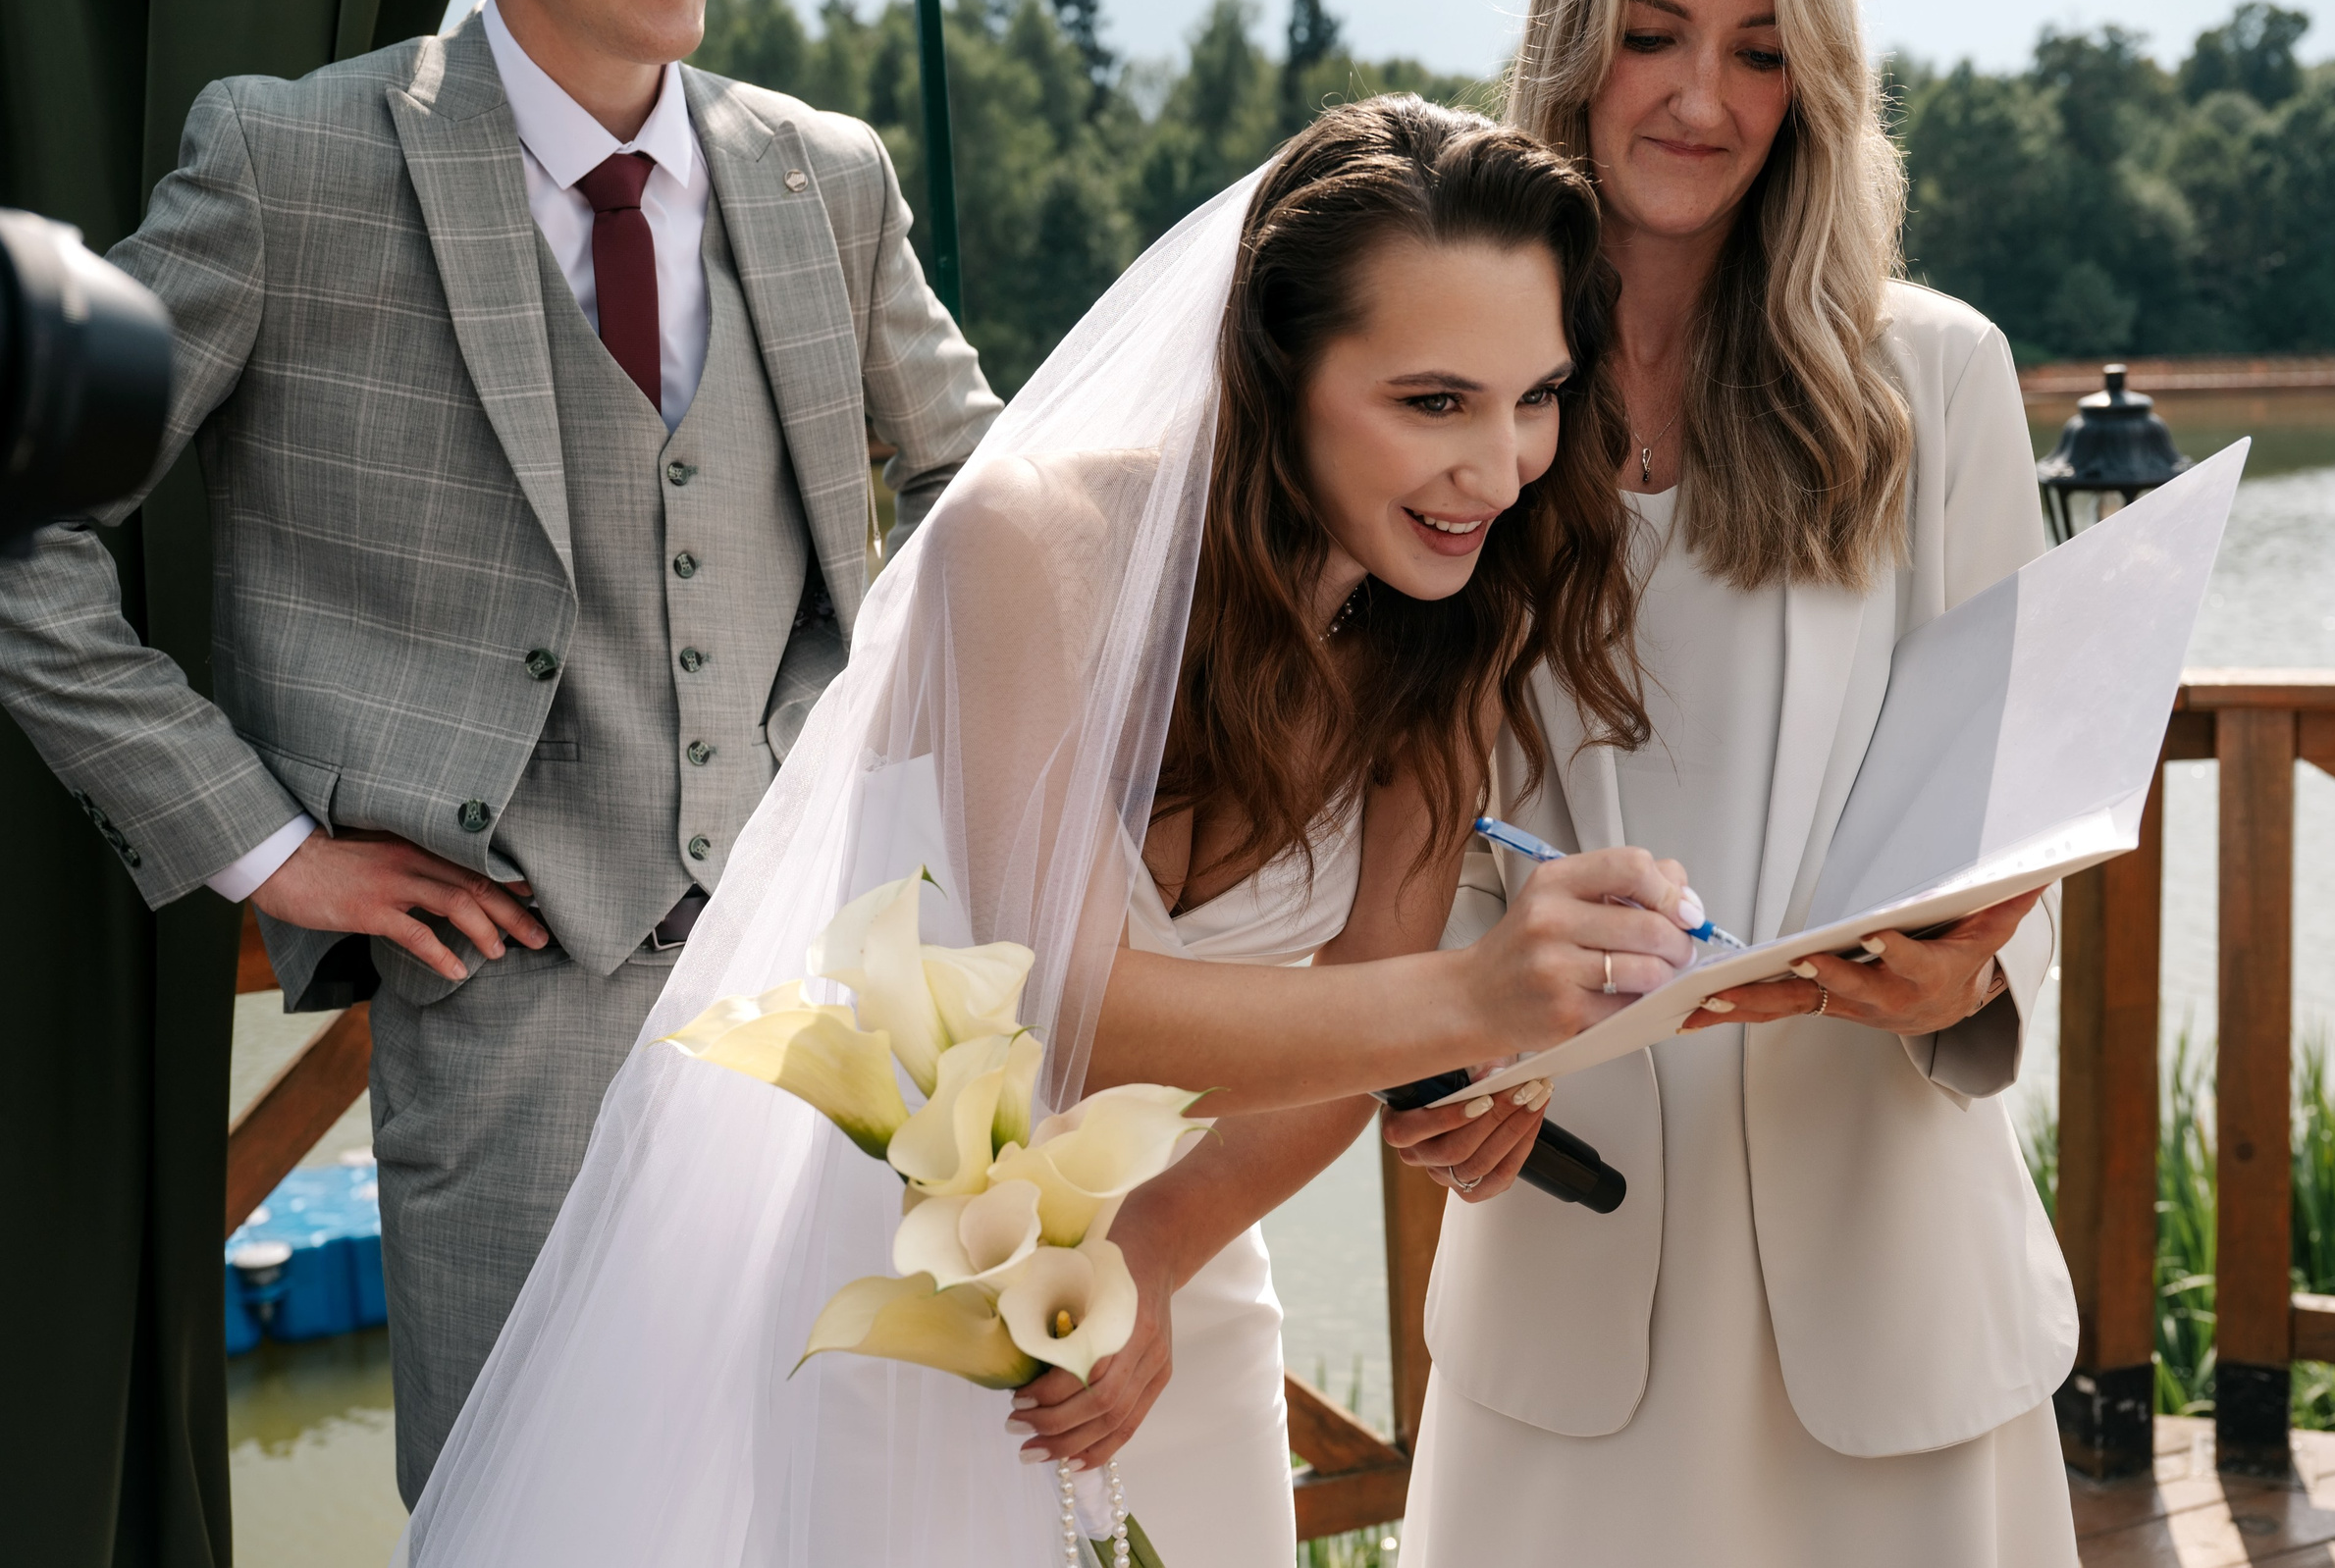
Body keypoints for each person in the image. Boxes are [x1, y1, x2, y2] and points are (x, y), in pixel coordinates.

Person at [405, 95, 1701, 1567]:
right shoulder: (1028, 547)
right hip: (889, 1286)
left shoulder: (1451, 635)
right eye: (1433, 402)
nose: (1503, 466)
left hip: (1179, 1279)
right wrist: (1473, 998)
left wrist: (1150, 1259)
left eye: (1536, 394)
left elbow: (1350, 1046)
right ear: (1276, 371)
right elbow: (1063, 1008)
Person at [0, 0, 997, 1504]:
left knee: (823, 1512)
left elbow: (993, 505)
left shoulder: (830, 172)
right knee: (533, 1521)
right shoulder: (289, 162)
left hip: (822, 1029)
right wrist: (262, 844)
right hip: (503, 1040)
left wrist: (844, 756)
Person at [1387, 0, 2079, 1563]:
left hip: (1896, 1277)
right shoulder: (1443, 383)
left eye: (1761, 51)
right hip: (1572, 1258)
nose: (1703, 96)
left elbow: (2026, 815)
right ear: (1570, 42)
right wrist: (1435, 1062)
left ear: (1817, 81)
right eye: (1653, 34)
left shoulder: (1938, 377)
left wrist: (1968, 978)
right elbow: (1388, 805)